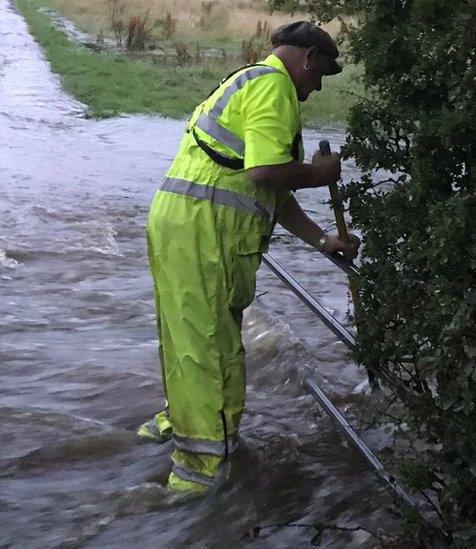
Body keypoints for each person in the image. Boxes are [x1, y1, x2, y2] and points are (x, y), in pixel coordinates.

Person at [138, 20, 359, 497]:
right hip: (206, 234)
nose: (317, 87)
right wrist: (320, 175)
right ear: (306, 58)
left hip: (182, 226)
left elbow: (272, 193)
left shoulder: (249, 81)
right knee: (209, 348)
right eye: (320, 74)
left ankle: (176, 427)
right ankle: (200, 474)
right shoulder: (275, 86)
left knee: (187, 337)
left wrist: (324, 240)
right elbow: (264, 173)